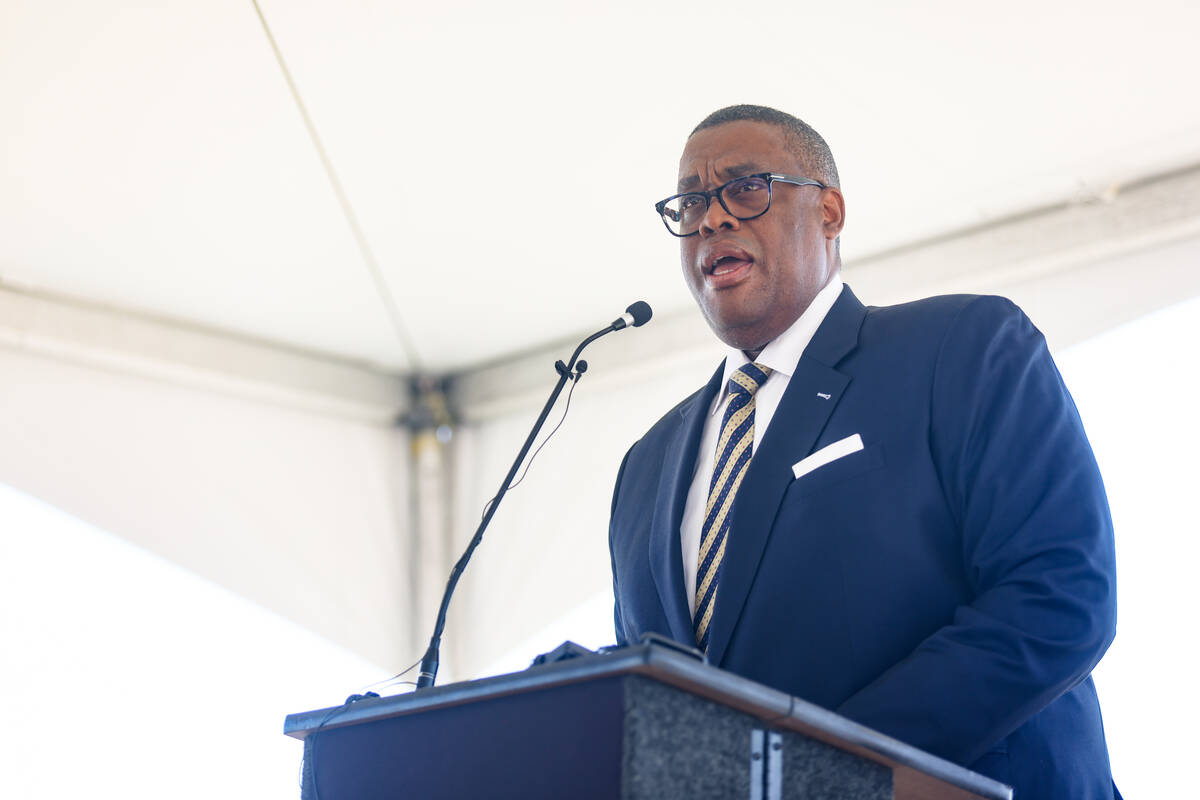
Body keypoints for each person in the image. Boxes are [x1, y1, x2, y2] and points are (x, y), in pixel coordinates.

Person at [607, 104, 1119, 798]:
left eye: (745, 187)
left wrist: (816, 771)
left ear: (829, 212)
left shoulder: (961, 348)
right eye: (692, 201)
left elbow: (1059, 597)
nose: (713, 218)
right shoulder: (647, 467)